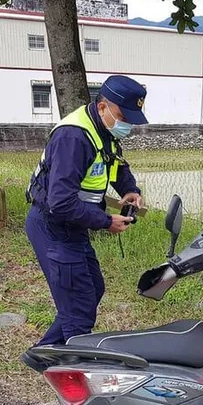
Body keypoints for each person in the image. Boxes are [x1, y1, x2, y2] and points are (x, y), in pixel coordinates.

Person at [22, 75, 147, 361]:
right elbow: (61, 203)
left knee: (92, 289)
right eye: (123, 116)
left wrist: (129, 190)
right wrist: (106, 221)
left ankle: (42, 355)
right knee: (78, 307)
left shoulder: (104, 131)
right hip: (53, 226)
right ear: (103, 106)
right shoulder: (73, 137)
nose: (127, 124)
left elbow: (116, 164)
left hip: (73, 225)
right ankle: (76, 376)